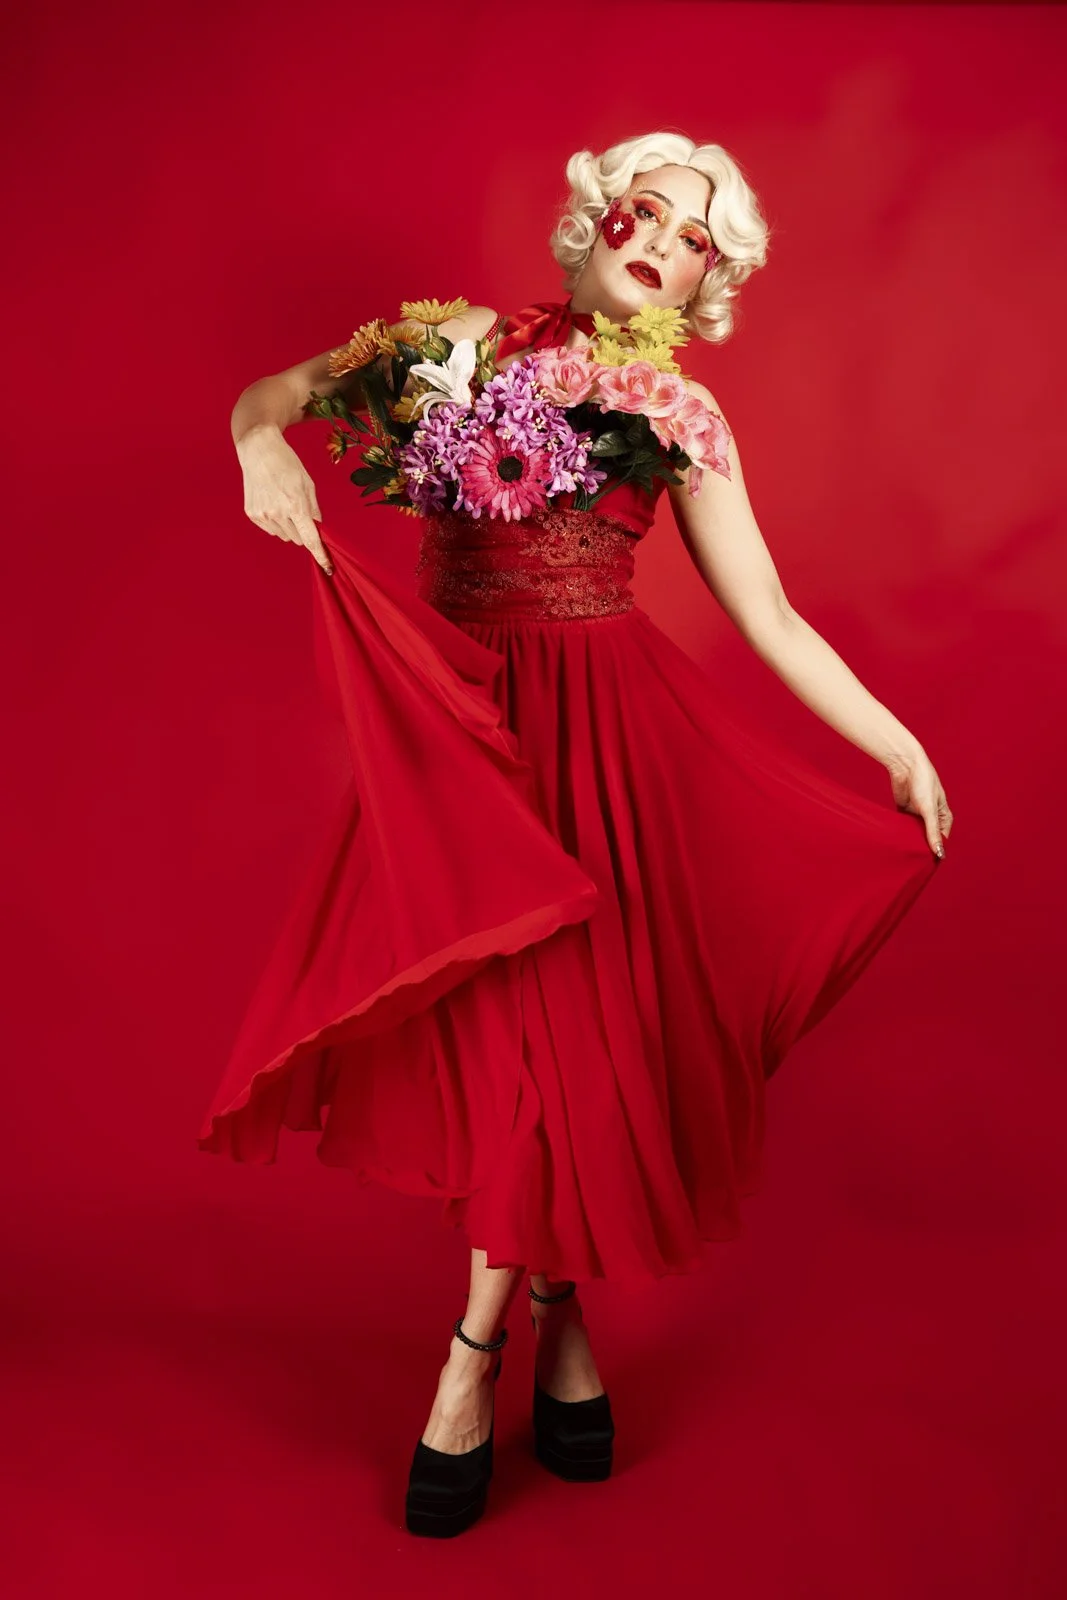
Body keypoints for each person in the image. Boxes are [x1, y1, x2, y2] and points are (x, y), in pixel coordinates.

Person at [200, 131, 953, 1537]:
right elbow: (280, 391)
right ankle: (561, 1308)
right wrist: (259, 448)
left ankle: (468, 1356)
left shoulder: (682, 415)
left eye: (692, 238)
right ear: (596, 217)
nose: (659, 241)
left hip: (601, 746)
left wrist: (895, 742)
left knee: (554, 1049)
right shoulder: (456, 342)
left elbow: (770, 616)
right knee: (508, 1048)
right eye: (645, 211)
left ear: (708, 281)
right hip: (459, 731)